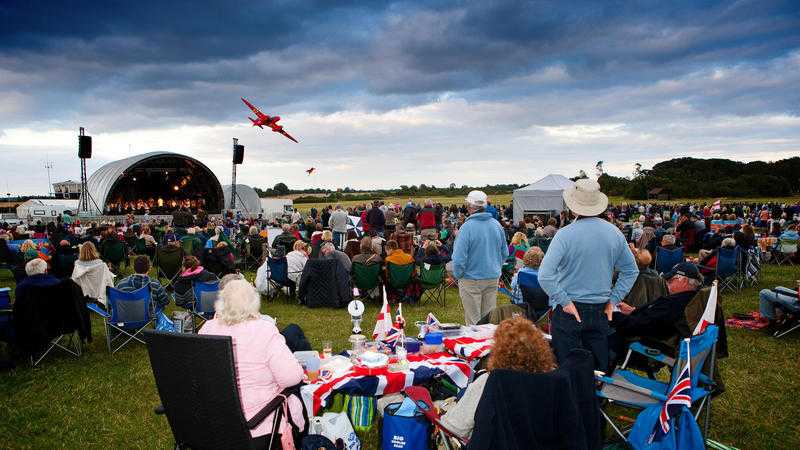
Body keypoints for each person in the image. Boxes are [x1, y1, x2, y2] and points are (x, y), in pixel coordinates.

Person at [538, 179, 638, 370]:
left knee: (567, 367)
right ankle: (593, 398)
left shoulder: (565, 234)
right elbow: (630, 270)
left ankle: (573, 398)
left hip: (571, 309)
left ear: (573, 206)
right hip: (600, 308)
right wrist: (613, 300)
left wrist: (565, 302)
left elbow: (545, 275)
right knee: (597, 368)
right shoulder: (614, 232)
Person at [199, 280, 305, 445]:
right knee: (296, 392)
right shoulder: (263, 330)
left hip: (213, 425)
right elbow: (291, 378)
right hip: (256, 426)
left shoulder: (207, 329)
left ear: (221, 303)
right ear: (253, 303)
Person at [439, 316, 556, 440]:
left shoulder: (489, 382)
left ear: (498, 351)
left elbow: (454, 428)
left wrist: (444, 411)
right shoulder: (555, 379)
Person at [610, 262, 704, 365]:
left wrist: (612, 315)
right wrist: (633, 311)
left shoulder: (675, 304)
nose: (667, 283)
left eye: (670, 280)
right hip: (653, 342)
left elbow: (641, 326)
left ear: (684, 281)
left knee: (596, 340)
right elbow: (653, 319)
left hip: (645, 350)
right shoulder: (691, 300)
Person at [451, 190, 508, 325]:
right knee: (489, 321)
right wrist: (495, 267)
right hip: (492, 277)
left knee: (474, 322)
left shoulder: (466, 228)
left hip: (471, 279)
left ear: (470, 207)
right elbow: (504, 252)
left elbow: (459, 258)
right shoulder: (497, 225)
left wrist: (459, 275)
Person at [70, 241, 115, 306]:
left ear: (81, 251)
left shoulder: (77, 264)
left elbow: (75, 280)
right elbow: (108, 281)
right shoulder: (101, 265)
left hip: (83, 293)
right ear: (94, 250)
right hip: (98, 292)